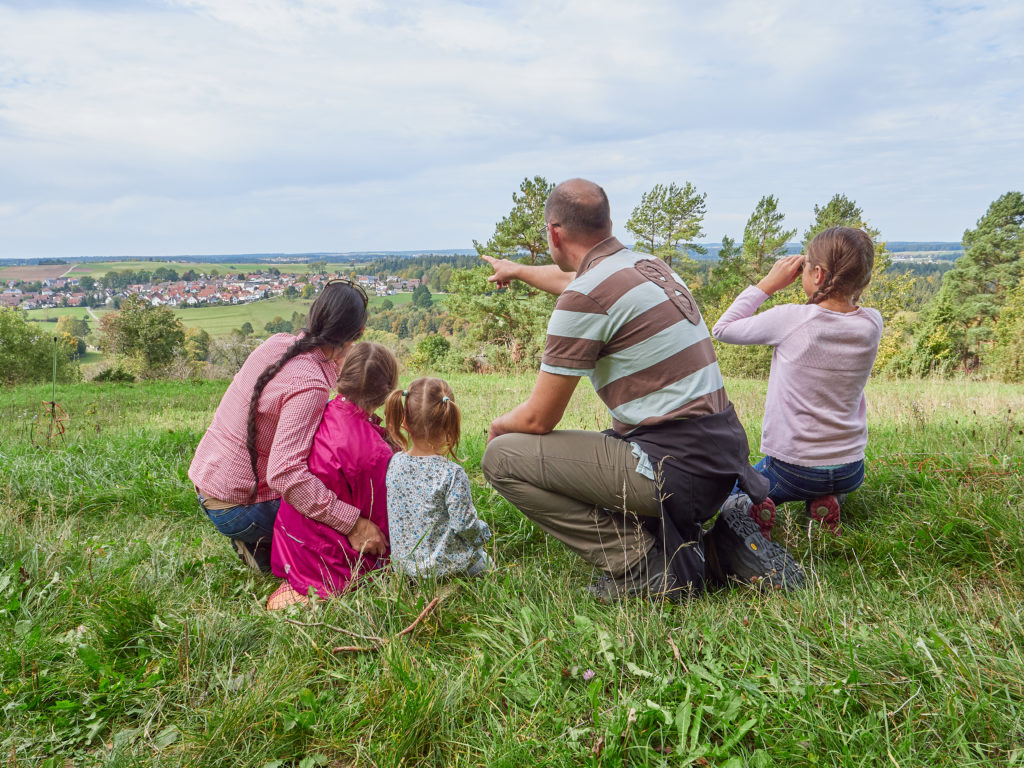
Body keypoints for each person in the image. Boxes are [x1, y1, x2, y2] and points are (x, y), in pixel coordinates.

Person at [480, 178, 804, 602]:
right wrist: (517, 270)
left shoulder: (584, 296)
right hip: (719, 460)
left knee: (502, 458)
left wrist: (498, 424)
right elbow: (571, 282)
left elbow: (539, 418)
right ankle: (717, 549)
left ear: (553, 234)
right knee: (596, 451)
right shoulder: (646, 266)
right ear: (608, 222)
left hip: (674, 469)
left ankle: (646, 567)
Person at [188, 279, 387, 572]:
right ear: (356, 334)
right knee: (336, 495)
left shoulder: (278, 343)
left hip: (210, 483)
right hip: (236, 507)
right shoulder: (311, 385)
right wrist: (353, 523)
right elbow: (286, 474)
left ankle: (261, 544)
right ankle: (262, 542)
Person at [712, 226, 883, 536]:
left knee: (731, 487)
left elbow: (722, 329)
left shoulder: (790, 319)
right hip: (851, 469)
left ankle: (758, 505)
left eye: (805, 267)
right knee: (828, 479)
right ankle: (825, 499)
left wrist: (767, 285)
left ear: (818, 274)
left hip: (793, 470)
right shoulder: (872, 323)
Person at [266, 343, 398, 609]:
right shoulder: (375, 454)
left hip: (291, 541)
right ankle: (309, 591)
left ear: (342, 377)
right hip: (327, 553)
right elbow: (380, 525)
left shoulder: (319, 411)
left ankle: (296, 584)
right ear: (386, 392)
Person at [384, 377, 492, 580]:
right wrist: (483, 533)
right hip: (444, 570)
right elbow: (465, 526)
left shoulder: (395, 463)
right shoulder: (451, 474)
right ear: (449, 422)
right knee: (486, 563)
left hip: (404, 569)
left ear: (405, 421)